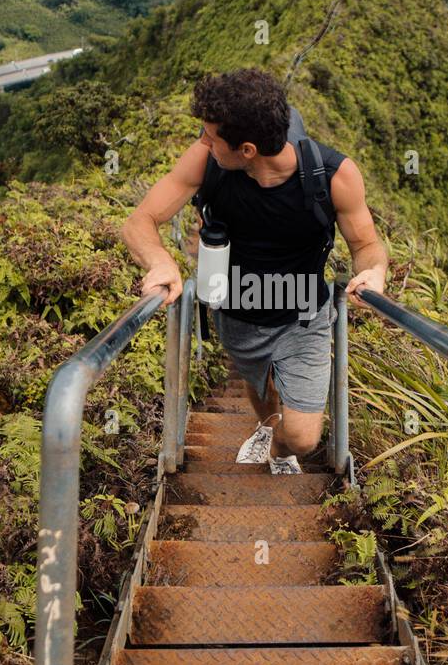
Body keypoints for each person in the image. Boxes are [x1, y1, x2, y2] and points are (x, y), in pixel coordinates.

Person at [121, 68, 387, 473]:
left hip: (303, 316)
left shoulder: (333, 176)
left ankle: (280, 450)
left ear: (246, 149)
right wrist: (161, 261)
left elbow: (366, 245)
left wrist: (373, 272)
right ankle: (265, 425)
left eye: (211, 137)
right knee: (259, 381)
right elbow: (140, 221)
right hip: (237, 311)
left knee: (302, 437)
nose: (204, 142)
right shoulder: (206, 161)